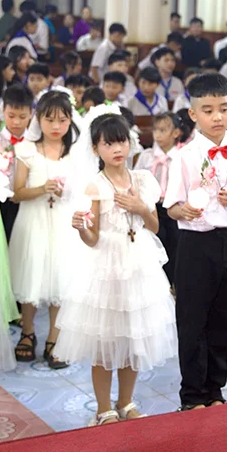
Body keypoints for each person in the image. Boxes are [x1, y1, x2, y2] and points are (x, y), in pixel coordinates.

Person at [55, 113, 177, 425]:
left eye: (121, 141)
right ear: (96, 149)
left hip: (139, 265)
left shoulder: (143, 180)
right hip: (107, 268)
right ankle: (103, 408)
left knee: (134, 337)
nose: (117, 149)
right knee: (105, 340)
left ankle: (125, 401)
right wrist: (81, 228)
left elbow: (154, 226)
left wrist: (140, 207)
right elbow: (93, 238)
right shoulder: (95, 186)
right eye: (108, 144)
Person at [163, 73, 227, 410]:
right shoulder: (184, 156)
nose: (217, 117)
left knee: (223, 319)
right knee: (193, 321)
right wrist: (183, 211)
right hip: (194, 245)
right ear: (193, 114)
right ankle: (192, 396)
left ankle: (215, 390)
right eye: (208, 110)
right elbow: (171, 207)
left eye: (223, 108)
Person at [8, 91, 82, 369]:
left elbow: (83, 192)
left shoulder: (76, 154)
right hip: (33, 221)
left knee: (59, 281)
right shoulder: (26, 150)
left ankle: (55, 337)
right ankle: (27, 332)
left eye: (62, 120)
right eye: (49, 120)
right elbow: (17, 193)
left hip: (63, 223)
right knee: (32, 276)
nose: (56, 126)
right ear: (38, 119)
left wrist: (67, 193)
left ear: (70, 120)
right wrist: (41, 189)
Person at [135, 112, 185, 285]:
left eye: (163, 130)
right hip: (151, 208)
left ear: (176, 133)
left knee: (175, 245)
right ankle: (157, 284)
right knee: (155, 243)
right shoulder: (146, 155)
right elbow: (137, 179)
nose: (157, 134)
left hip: (174, 207)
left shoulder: (182, 155)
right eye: (155, 130)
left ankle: (174, 284)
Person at [0, 84, 35, 240]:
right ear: (3, 111)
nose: (16, 122)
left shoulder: (35, 143)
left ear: (31, 113)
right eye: (11, 116)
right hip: (1, 203)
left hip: (27, 202)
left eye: (22, 117)